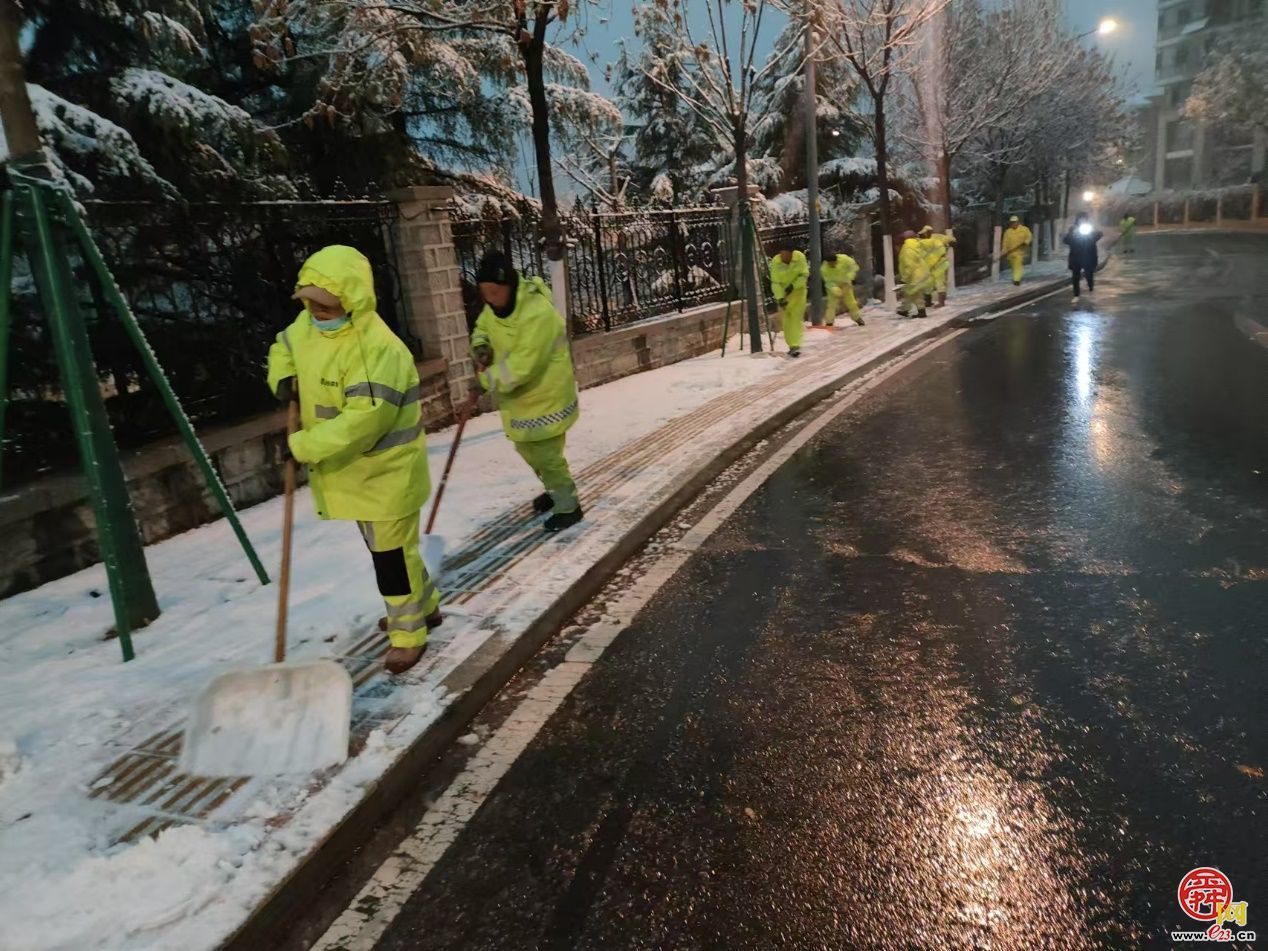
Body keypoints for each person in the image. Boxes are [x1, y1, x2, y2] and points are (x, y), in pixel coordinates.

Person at [268, 245, 439, 675]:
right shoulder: (307, 327)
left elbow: (363, 421)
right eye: (307, 303)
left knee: (390, 561)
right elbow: (283, 347)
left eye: (325, 305)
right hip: (352, 475)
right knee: (396, 552)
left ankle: (407, 635)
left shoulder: (379, 350)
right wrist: (282, 378)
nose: (315, 312)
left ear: (353, 299)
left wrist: (300, 446)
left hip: (386, 475)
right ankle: (426, 606)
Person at [471, 252, 583, 533]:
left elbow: (523, 365)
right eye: (485, 293)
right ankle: (554, 489)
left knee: (547, 456)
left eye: (495, 292)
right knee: (528, 450)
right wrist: (481, 344)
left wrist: (487, 380)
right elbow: (483, 326)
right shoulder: (495, 308)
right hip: (519, 402)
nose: (490, 299)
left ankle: (569, 506)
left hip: (546, 396)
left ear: (508, 285)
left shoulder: (536, 313)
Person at [769, 242, 809, 356]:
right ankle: (791, 344)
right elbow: (775, 282)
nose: (784, 257)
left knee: (796, 318)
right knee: (786, 320)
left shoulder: (799, 257)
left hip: (798, 293)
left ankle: (795, 345)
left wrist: (794, 285)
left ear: (792, 254)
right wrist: (780, 298)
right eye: (782, 254)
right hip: (783, 293)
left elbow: (804, 275)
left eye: (786, 254)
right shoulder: (776, 262)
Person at [1063, 212, 1103, 304]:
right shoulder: (1073, 229)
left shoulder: (1090, 228)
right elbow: (1066, 240)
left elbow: (1099, 235)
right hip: (1076, 257)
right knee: (1075, 276)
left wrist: (1092, 234)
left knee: (1089, 274)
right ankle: (1076, 295)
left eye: (1084, 218)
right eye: (1081, 218)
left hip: (1088, 256)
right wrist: (1073, 236)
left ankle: (1091, 288)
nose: (1082, 220)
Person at [821, 249, 865, 327]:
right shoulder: (824, 269)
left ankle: (857, 318)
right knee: (831, 305)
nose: (832, 265)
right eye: (830, 264)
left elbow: (854, 267)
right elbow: (828, 282)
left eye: (833, 263)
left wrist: (849, 278)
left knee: (851, 303)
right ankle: (829, 322)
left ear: (836, 260)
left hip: (846, 284)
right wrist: (835, 290)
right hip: (833, 287)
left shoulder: (844, 259)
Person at [897, 230, 932, 319]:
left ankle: (908, 310)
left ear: (906, 237)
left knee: (911, 293)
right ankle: (915, 310)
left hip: (914, 276)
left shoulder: (908, 248)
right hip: (921, 273)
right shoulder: (917, 245)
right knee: (913, 293)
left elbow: (909, 264)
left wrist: (904, 278)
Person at [919, 225, 956, 307]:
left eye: (925, 233)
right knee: (929, 284)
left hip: (938, 265)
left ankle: (941, 303)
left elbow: (952, 240)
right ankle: (928, 302)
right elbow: (952, 240)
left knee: (938, 283)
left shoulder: (924, 241)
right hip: (933, 265)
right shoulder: (937, 238)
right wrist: (948, 245)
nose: (925, 234)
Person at [1000, 215, 1032, 286]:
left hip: (1020, 252)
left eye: (1014, 222)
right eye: (1012, 222)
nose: (1013, 224)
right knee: (1013, 266)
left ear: (1018, 222)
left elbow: (1029, 236)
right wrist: (1004, 251)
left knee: (1018, 265)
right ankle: (1016, 277)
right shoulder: (1008, 232)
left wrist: (1026, 242)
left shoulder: (1024, 229)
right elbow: (1005, 243)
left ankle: (1016, 280)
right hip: (1011, 253)